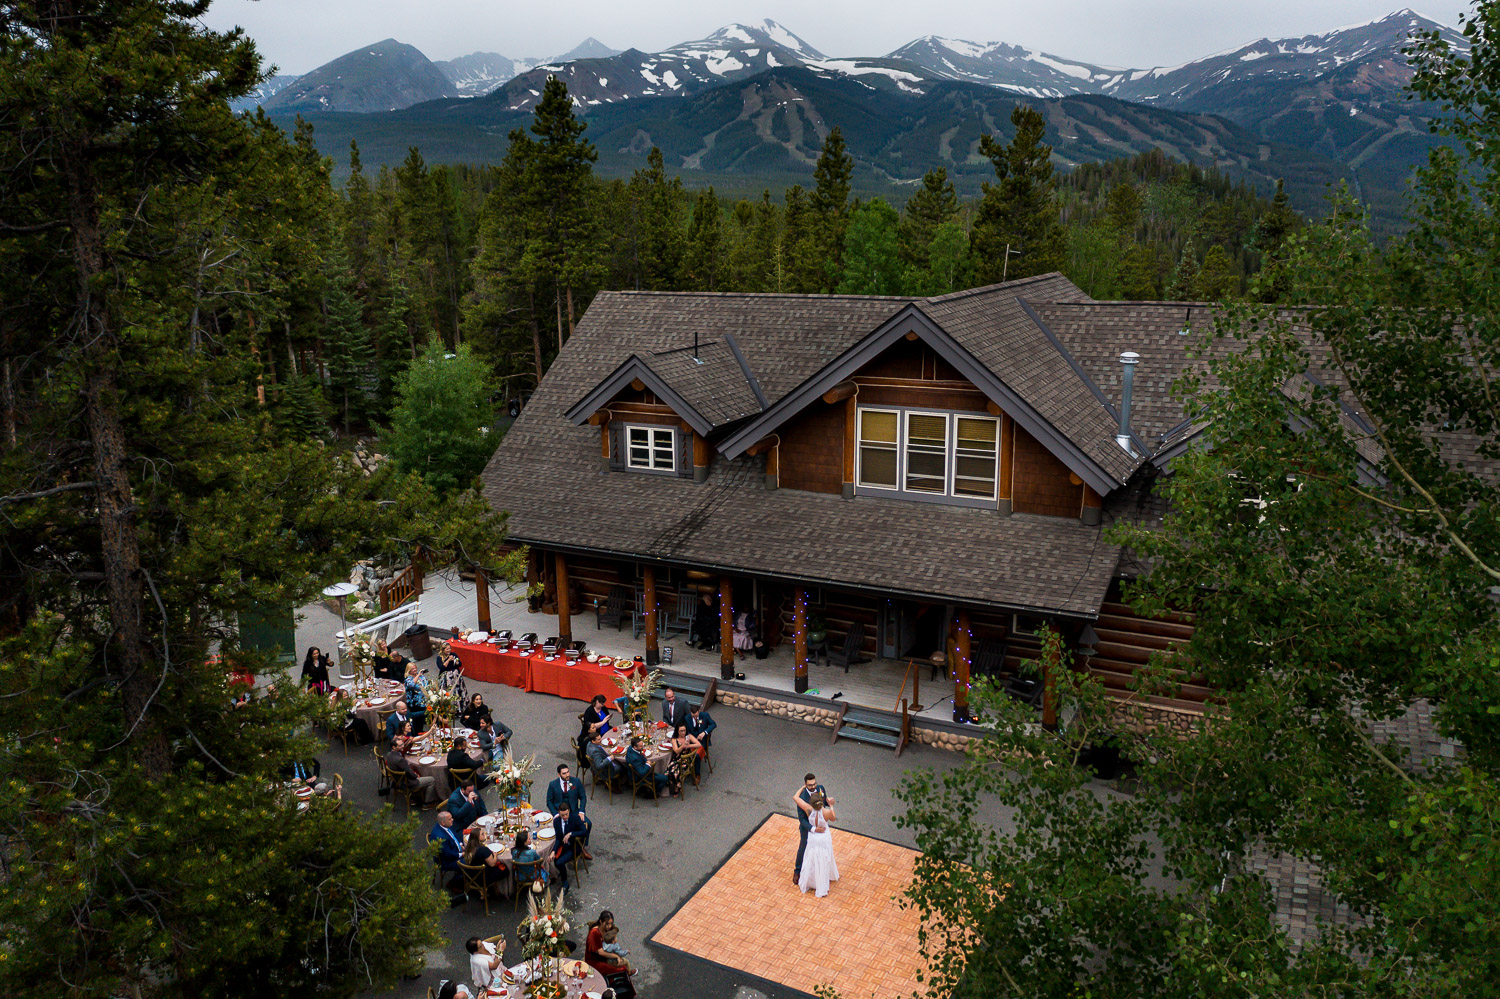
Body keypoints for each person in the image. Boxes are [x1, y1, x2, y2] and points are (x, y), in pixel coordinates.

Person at [792, 773, 833, 885]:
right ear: (805, 785)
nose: (814, 786)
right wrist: (813, 829)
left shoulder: (821, 788)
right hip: (808, 828)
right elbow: (802, 819)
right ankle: (797, 871)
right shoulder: (802, 798)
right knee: (803, 847)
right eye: (810, 785)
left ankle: (821, 871)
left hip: (821, 825)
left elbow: (823, 805)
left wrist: (829, 803)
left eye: (814, 783)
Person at [797, 792, 840, 897]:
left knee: (811, 858)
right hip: (823, 838)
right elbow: (833, 818)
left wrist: (802, 787)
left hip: (813, 837)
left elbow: (795, 798)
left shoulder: (808, 809)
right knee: (823, 858)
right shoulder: (826, 812)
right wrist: (831, 806)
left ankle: (810, 880)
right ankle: (823, 880)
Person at [551, 802, 588, 892]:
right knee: (555, 859)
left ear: (569, 812)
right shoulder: (556, 821)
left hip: (574, 847)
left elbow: (584, 832)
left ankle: (565, 882)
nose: (564, 817)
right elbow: (559, 838)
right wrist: (553, 851)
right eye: (562, 815)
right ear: (559, 813)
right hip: (563, 846)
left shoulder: (575, 819)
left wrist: (571, 834)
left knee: (559, 862)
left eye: (566, 814)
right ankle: (562, 872)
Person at [585, 911, 634, 978]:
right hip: (594, 961)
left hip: (605, 957)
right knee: (622, 969)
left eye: (611, 924)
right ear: (601, 922)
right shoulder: (594, 933)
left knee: (624, 964)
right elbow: (600, 952)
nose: (609, 926)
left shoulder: (606, 929)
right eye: (607, 924)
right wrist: (616, 956)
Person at [546, 764, 589, 833]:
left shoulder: (576, 781)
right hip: (560, 812)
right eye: (564, 773)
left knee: (588, 824)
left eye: (568, 772)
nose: (567, 775)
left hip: (573, 811)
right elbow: (549, 801)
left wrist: (581, 811)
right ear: (559, 775)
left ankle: (583, 843)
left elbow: (583, 797)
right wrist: (556, 814)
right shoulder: (553, 784)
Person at [462, 830, 507, 896]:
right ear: (478, 838)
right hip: (482, 879)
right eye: (482, 834)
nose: (484, 835)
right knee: (506, 870)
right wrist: (495, 855)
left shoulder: (469, 847)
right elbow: (492, 864)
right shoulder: (483, 850)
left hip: (470, 875)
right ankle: (501, 891)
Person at [428, 810, 464, 877]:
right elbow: (448, 855)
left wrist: (460, 844)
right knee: (470, 860)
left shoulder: (445, 825)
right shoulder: (441, 837)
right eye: (450, 819)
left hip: (452, 848)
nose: (452, 820)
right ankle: (457, 880)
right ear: (443, 822)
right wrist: (462, 854)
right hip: (446, 861)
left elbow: (454, 834)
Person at [403, 661, 427, 731]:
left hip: (423, 701)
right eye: (412, 669)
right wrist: (418, 675)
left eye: (415, 668)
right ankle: (417, 732)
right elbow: (411, 685)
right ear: (409, 670)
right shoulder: (408, 679)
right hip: (415, 703)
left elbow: (425, 684)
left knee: (422, 717)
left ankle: (421, 730)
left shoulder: (420, 676)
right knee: (417, 720)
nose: (415, 670)